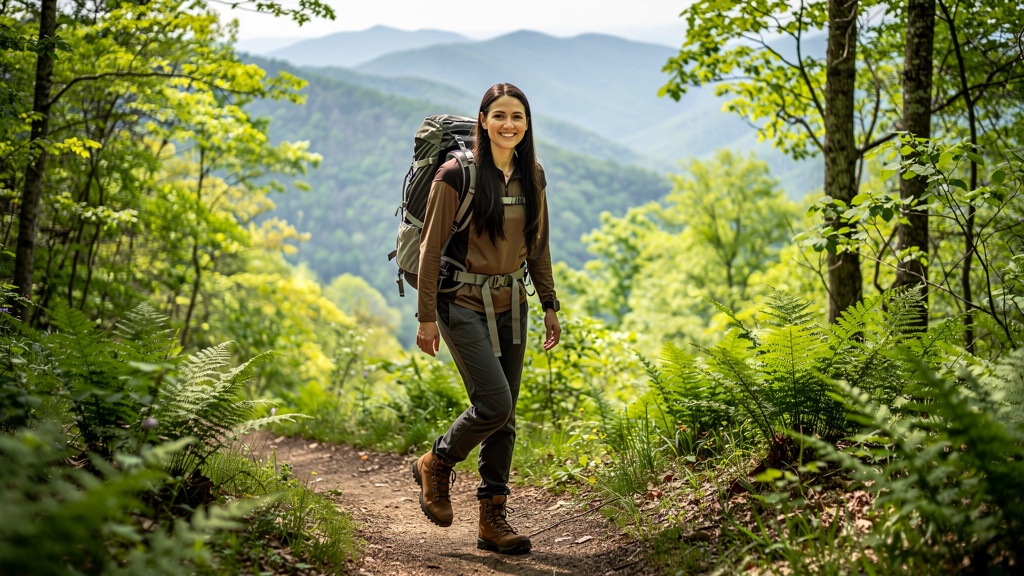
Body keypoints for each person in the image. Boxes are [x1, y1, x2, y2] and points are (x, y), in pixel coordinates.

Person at [412, 82, 561, 555]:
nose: (509, 124)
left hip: (512, 302)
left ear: (527, 123)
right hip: (459, 301)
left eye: (517, 116)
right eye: (499, 115)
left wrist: (549, 304)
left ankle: (491, 517)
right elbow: (432, 249)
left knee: (506, 415)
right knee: (494, 404)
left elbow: (537, 247)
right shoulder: (456, 175)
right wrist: (427, 316)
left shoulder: (531, 174)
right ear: (482, 120)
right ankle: (436, 462)